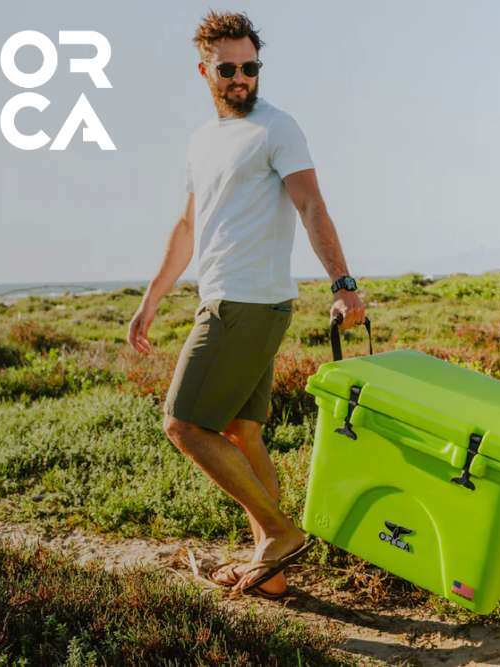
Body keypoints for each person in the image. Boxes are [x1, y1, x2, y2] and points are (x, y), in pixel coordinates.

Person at [127, 10, 366, 599]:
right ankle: (274, 572)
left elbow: (311, 205)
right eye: (228, 68)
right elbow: (188, 226)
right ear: (204, 69)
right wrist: (151, 299)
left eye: (250, 67)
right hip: (237, 299)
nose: (241, 78)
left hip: (245, 302)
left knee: (183, 424)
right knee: (242, 431)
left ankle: (279, 536)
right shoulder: (203, 140)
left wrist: (342, 282)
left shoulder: (277, 128)